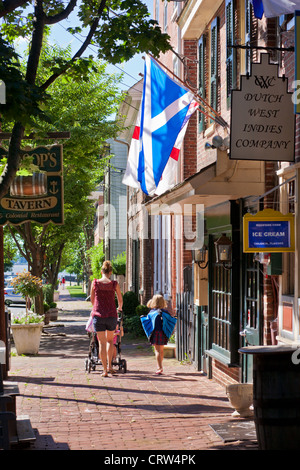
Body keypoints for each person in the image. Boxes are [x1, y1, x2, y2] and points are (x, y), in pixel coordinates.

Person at [90, 260, 123, 377]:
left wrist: (95, 308)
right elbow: (120, 299)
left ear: (101, 271)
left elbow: (92, 299)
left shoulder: (95, 283)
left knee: (102, 343)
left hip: (98, 316)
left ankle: (104, 371)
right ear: (110, 272)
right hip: (111, 316)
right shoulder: (114, 284)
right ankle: (110, 366)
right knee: (110, 341)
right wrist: (119, 308)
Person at [140, 294, 177, 375]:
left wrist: (142, 318)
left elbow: (147, 322)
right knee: (161, 350)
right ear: (163, 302)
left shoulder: (152, 312)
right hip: (163, 333)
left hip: (155, 333)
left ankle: (159, 367)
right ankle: (159, 365)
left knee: (157, 351)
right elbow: (171, 320)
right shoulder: (165, 312)